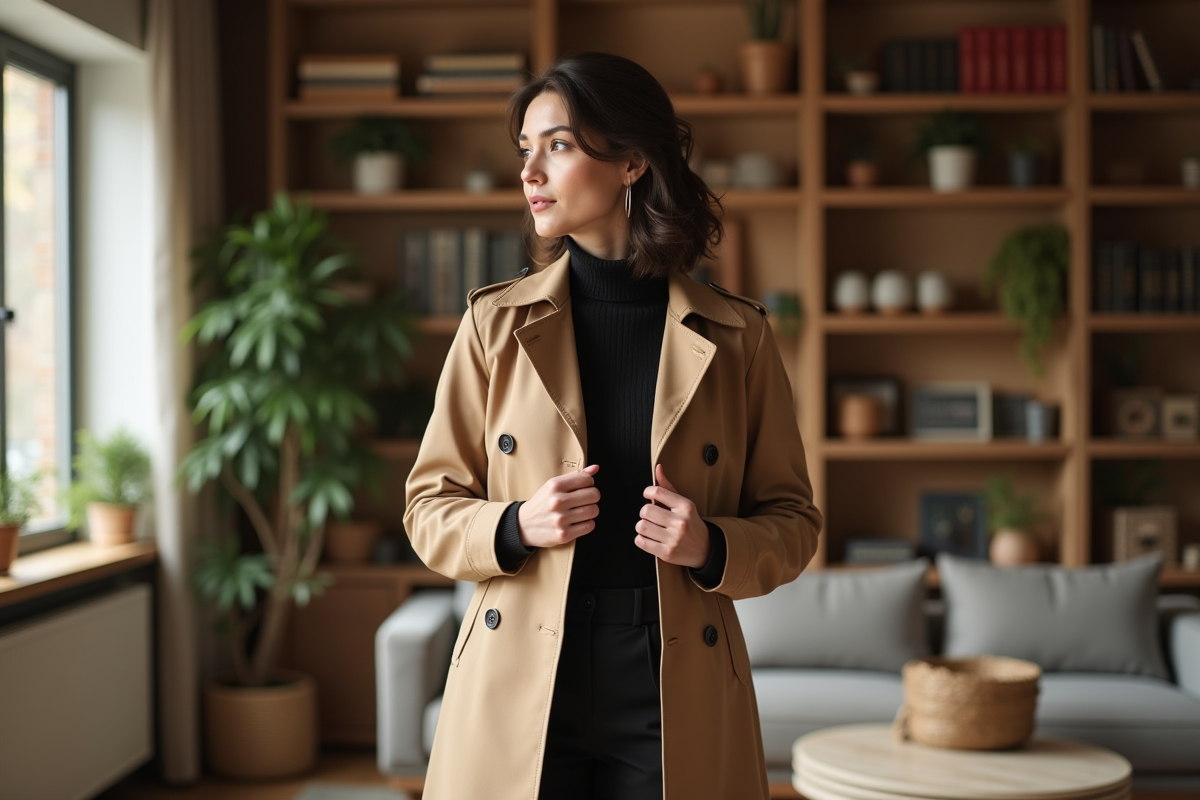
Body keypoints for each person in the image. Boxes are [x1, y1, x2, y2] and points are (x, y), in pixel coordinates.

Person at [404, 51, 822, 800]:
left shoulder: (738, 336)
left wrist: (712, 544)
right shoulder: (493, 325)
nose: (531, 172)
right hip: (521, 665)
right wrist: (514, 524)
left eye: (558, 145)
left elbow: (794, 522)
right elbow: (427, 508)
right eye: (525, 150)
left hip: (672, 672)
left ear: (631, 161)